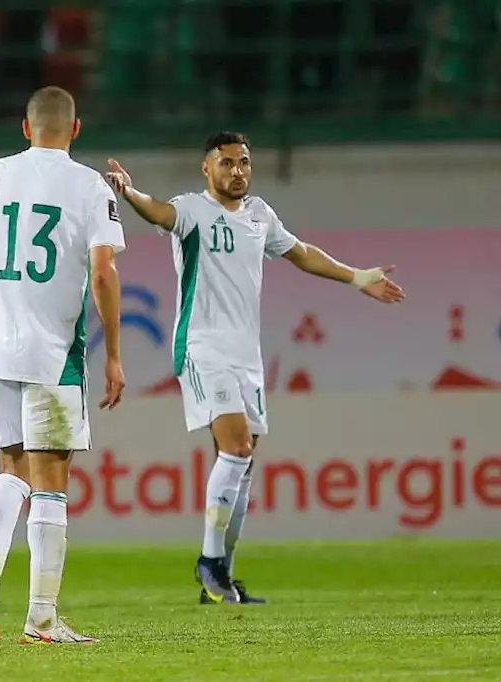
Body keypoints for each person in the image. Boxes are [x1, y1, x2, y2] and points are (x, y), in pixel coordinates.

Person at [103, 131, 406, 604]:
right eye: (227, 163)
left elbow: (301, 253)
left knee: (244, 467)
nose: (238, 171)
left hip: (247, 358)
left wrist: (358, 277)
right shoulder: (193, 211)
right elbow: (158, 211)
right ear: (208, 168)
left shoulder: (260, 215)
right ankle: (209, 562)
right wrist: (131, 191)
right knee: (238, 448)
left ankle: (220, 576)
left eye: (244, 162)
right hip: (203, 350)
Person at [0, 86, 127, 645]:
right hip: (53, 354)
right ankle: (42, 617)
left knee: (11, 472)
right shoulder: (89, 185)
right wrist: (114, 353)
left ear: (25, 128)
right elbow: (102, 274)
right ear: (75, 130)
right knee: (50, 485)